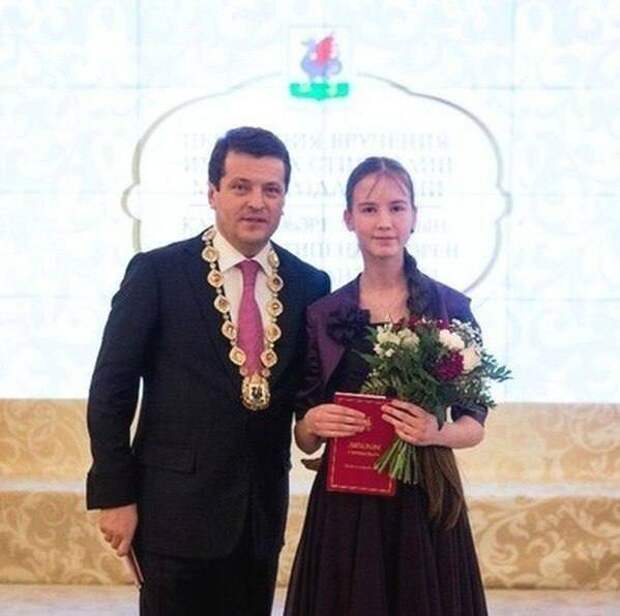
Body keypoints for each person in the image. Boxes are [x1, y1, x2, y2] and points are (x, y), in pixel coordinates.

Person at [86, 126, 330, 616]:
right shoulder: (158, 272)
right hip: (171, 515)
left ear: (284, 199)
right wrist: (115, 496)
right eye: (240, 186)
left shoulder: (310, 284)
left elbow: (309, 392)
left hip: (259, 520)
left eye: (271, 189)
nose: (256, 201)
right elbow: (111, 390)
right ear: (213, 192)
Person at [284, 156, 488, 616]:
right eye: (369, 209)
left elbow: (474, 424)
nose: (384, 222)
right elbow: (304, 435)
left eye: (397, 208)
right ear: (348, 218)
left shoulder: (449, 307)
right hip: (346, 501)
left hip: (426, 496)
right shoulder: (323, 313)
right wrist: (313, 421)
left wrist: (435, 432)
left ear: (415, 216)